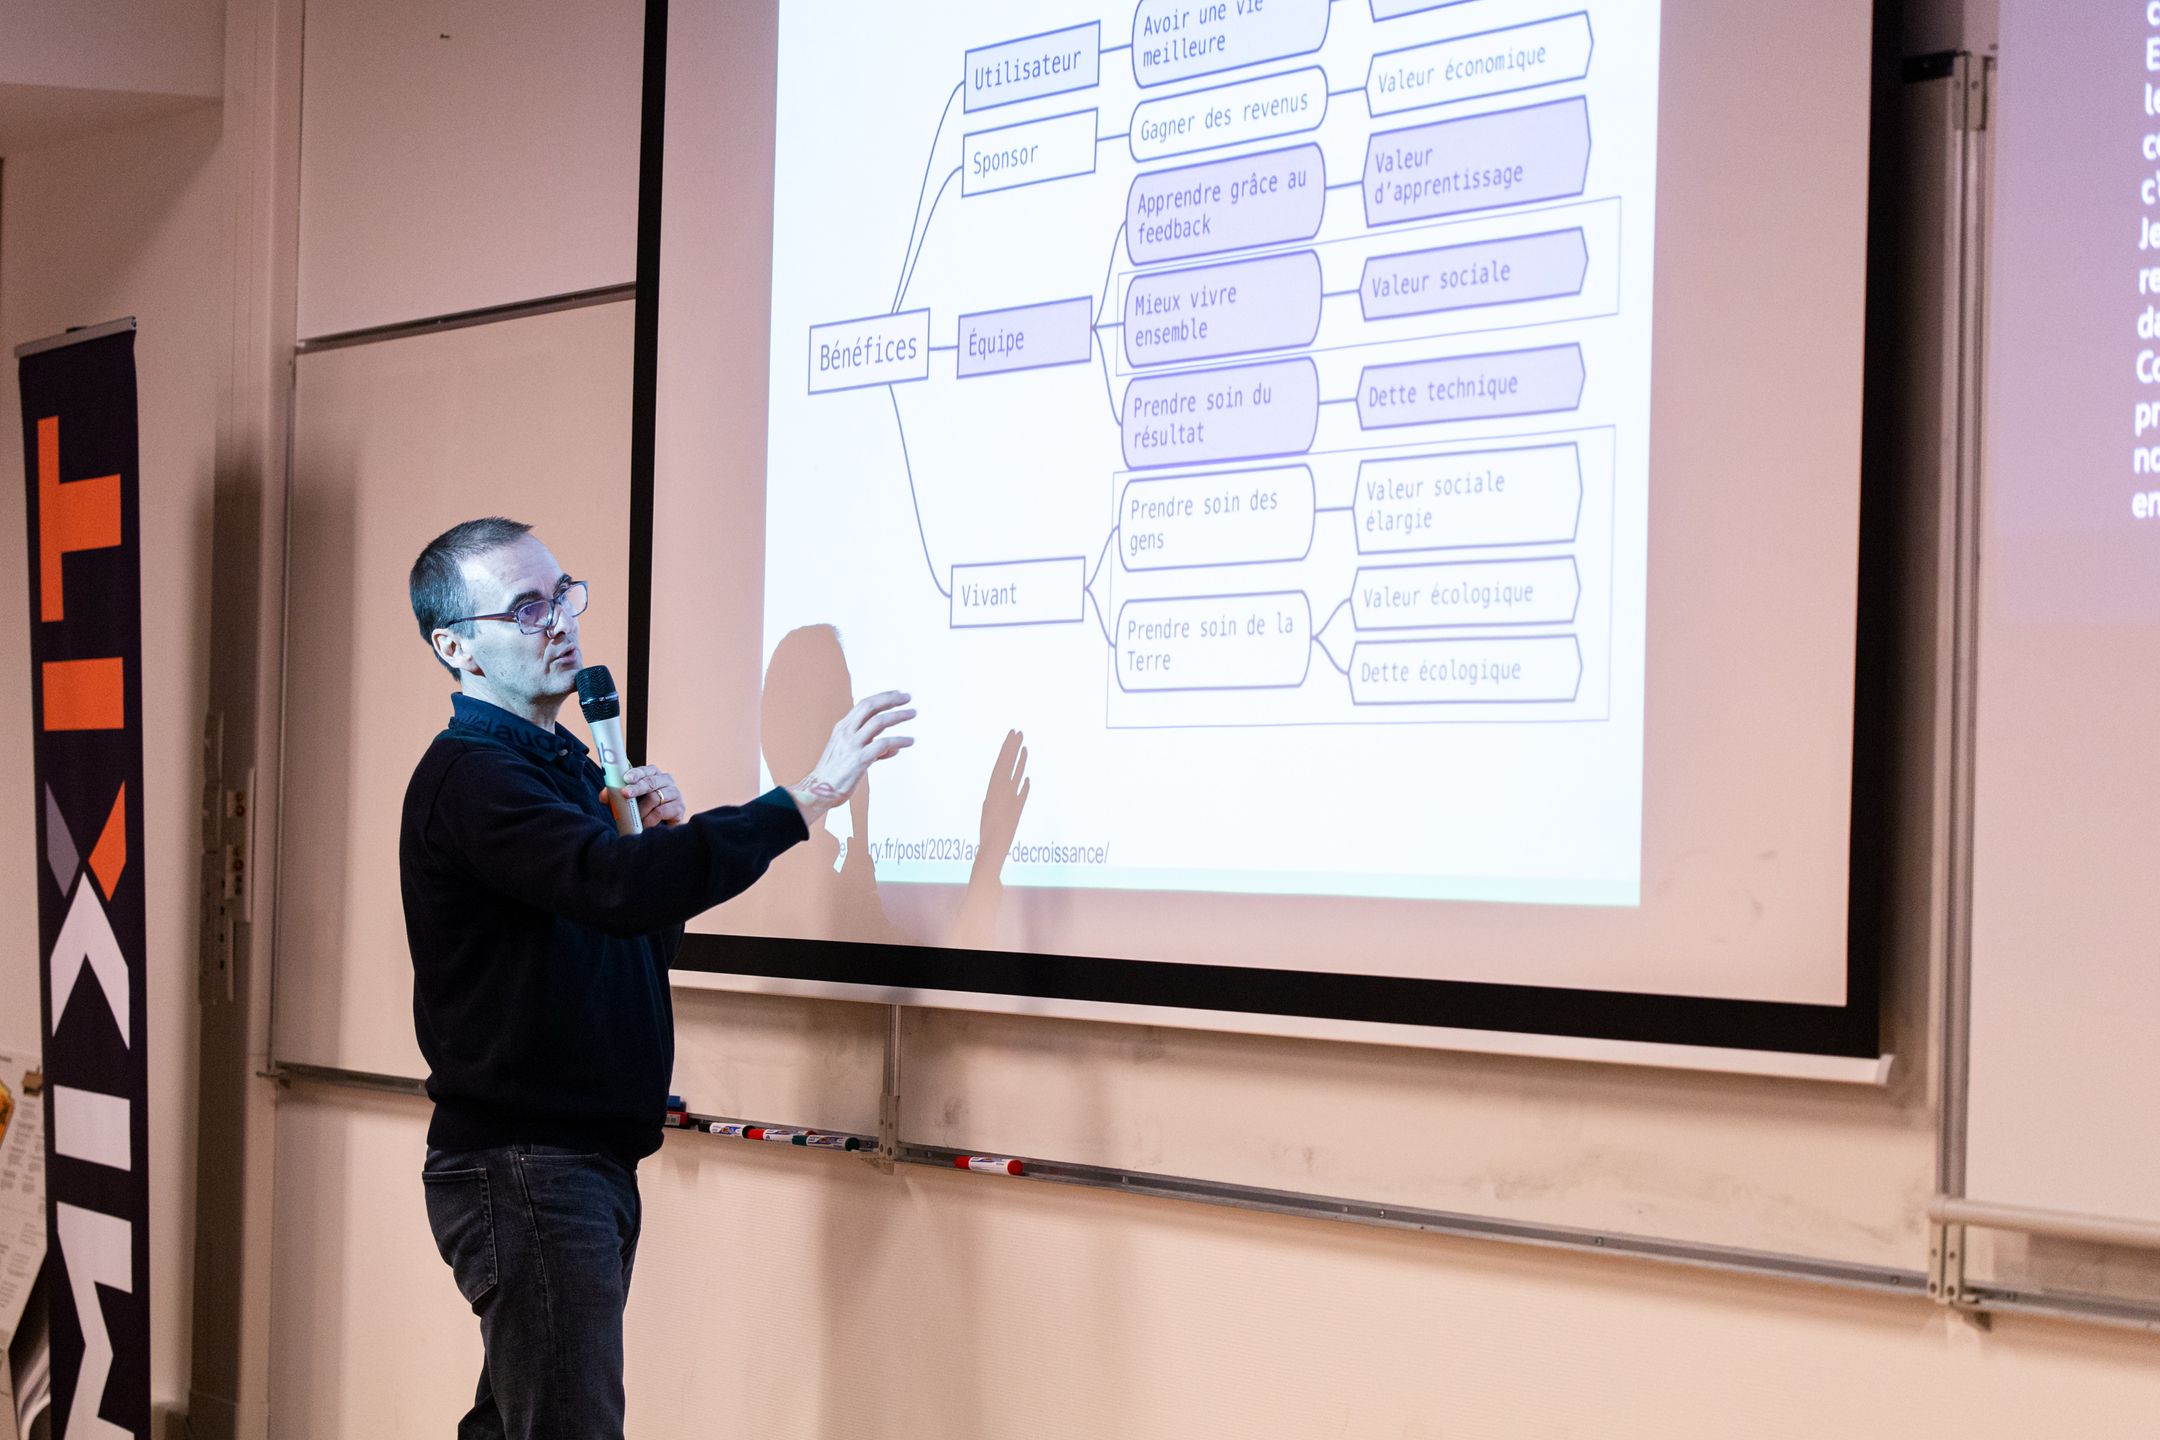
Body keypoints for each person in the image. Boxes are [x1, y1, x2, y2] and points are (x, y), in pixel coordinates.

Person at [398, 517, 913, 1438]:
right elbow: (610, 887)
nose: (560, 620)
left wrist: (658, 852)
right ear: (456, 648)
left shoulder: (564, 768)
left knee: (517, 1425)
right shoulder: (474, 779)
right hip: (527, 1166)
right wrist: (806, 799)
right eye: (525, 608)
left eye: (563, 595)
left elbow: (627, 933)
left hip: (578, 1163)